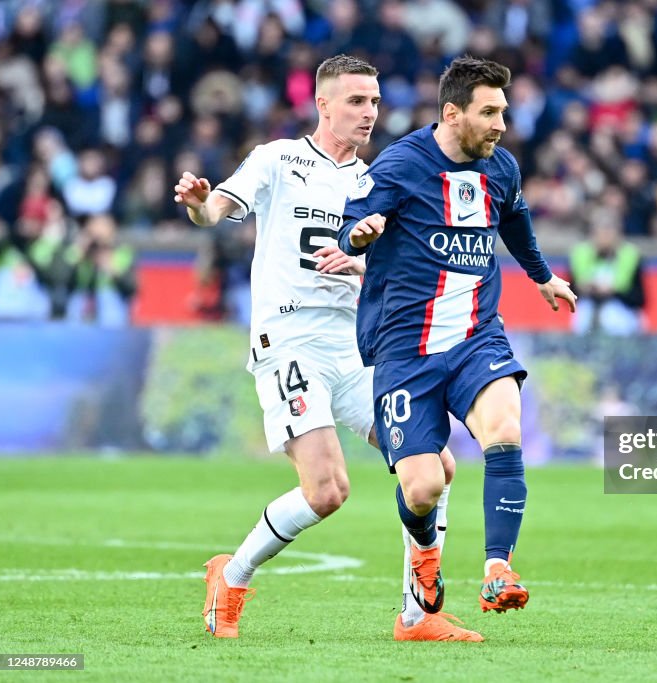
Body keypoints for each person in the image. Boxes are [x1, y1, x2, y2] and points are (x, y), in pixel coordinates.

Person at [173, 55, 477, 643]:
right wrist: (198, 201)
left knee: (435, 466)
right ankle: (230, 576)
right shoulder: (278, 159)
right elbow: (214, 212)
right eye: (358, 101)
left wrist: (362, 263)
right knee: (328, 490)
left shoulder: (374, 182)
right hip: (289, 340)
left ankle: (418, 616)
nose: (370, 113)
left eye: (376, 102)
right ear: (324, 104)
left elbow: (398, 270)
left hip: (354, 347)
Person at [327, 56, 576, 621]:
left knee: (505, 429)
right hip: (405, 348)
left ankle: (498, 569)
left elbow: (514, 220)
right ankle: (424, 551)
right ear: (452, 113)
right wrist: (360, 234)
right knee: (423, 487)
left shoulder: (502, 168)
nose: (500, 125)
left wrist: (542, 278)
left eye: (503, 112)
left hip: (476, 337)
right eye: (488, 113)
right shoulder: (400, 165)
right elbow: (352, 219)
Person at [569, 212, 646, 335]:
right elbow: (570, 293)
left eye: (609, 231)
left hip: (622, 307)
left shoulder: (630, 255)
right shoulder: (580, 253)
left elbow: (640, 298)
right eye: (601, 231)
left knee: (610, 316)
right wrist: (585, 288)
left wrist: (613, 291)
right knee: (583, 315)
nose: (605, 236)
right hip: (590, 306)